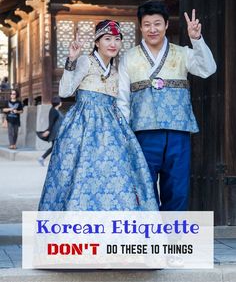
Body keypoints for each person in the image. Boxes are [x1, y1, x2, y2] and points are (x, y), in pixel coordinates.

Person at [38, 20, 158, 211]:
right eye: (107, 39)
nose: (113, 44)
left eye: (117, 39)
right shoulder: (86, 61)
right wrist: (71, 60)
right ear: (96, 42)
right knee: (80, 174)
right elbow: (65, 90)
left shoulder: (116, 71)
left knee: (115, 174)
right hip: (84, 126)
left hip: (112, 128)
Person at [117, 1, 217, 211]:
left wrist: (196, 39)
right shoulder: (129, 57)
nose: (152, 29)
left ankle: (172, 238)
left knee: (177, 189)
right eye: (147, 24)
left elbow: (208, 69)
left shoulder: (183, 53)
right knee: (144, 187)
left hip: (177, 131)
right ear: (140, 27)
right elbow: (122, 100)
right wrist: (124, 134)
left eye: (157, 24)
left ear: (166, 25)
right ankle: (151, 237)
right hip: (142, 133)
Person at [37, 96, 64, 167]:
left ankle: (43, 158)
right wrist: (48, 131)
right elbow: (51, 122)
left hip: (58, 132)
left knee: (56, 147)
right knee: (55, 147)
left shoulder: (56, 110)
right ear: (59, 103)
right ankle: (42, 158)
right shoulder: (53, 111)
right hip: (55, 132)